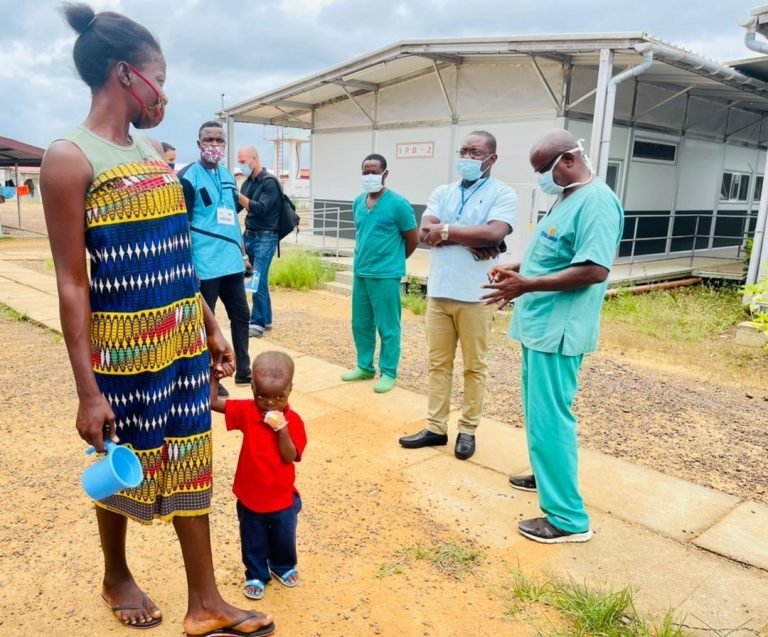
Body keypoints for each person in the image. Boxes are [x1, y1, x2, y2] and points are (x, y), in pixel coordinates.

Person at [39, 5, 274, 636]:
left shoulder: (147, 148)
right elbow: (71, 282)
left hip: (179, 342)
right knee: (123, 458)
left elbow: (174, 250)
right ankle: (116, 573)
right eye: (158, 78)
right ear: (124, 74)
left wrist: (210, 325)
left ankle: (206, 602)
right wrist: (87, 390)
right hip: (120, 351)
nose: (163, 93)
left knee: (193, 455)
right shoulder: (69, 158)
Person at [481, 129, 624, 544]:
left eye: (543, 170)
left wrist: (525, 286)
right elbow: (555, 253)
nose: (542, 179)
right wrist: (518, 269)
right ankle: (548, 478)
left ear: (566, 160)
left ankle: (567, 518)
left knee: (551, 419)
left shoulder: (596, 202)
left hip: (559, 330)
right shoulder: (568, 197)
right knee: (537, 413)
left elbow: (594, 269)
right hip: (540, 326)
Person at [399, 131, 517, 460]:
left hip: (477, 295)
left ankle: (468, 429)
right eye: (463, 150)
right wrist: (473, 238)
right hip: (440, 291)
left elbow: (495, 232)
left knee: (474, 367)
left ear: (492, 159)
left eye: (475, 152)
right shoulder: (443, 192)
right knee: (438, 364)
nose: (466, 157)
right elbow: (424, 233)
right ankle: (436, 427)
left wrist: (448, 231)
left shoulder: (502, 194)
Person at [210, 351, 307, 601]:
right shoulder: (247, 411)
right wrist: (214, 379)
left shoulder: (294, 421)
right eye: (262, 396)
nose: (270, 403)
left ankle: (282, 566)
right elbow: (213, 403)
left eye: (279, 397)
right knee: (252, 536)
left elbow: (290, 456)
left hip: (281, 496)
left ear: (290, 390)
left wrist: (282, 429)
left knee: (284, 536)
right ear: (252, 386)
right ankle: (255, 574)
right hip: (250, 494)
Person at [179, 122, 252, 396]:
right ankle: (211, 376)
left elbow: (231, 219)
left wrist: (242, 254)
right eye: (208, 139)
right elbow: (182, 226)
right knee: (205, 326)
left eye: (219, 140)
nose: (214, 144)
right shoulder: (187, 177)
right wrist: (187, 266)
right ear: (199, 144)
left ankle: (243, 370)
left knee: (241, 316)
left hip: (232, 263)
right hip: (204, 265)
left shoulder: (228, 177)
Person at [340, 154, 418, 393]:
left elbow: (412, 240)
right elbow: (363, 233)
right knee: (361, 323)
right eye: (366, 171)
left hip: (385, 275)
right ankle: (364, 366)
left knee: (388, 325)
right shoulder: (358, 203)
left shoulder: (398, 204)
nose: (370, 176)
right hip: (361, 272)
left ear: (385, 174)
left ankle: (389, 372)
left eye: (374, 171)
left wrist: (393, 260)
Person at [236, 146, 280, 338]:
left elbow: (260, 209)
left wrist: (237, 195)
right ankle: (266, 319)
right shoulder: (247, 183)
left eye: (243, 161)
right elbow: (237, 207)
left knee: (257, 279)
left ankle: (257, 323)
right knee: (256, 279)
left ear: (254, 159)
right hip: (250, 235)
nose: (241, 165)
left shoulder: (270, 183)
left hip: (266, 237)